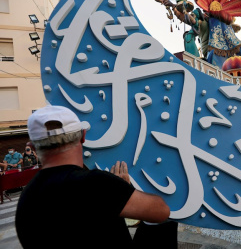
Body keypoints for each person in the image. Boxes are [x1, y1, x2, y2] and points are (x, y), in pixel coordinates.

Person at [15, 105, 170, 249]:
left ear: (32, 147)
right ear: (83, 136)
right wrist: (123, 188)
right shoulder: (98, 184)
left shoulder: (27, 198)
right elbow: (162, 211)